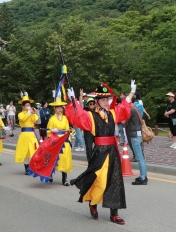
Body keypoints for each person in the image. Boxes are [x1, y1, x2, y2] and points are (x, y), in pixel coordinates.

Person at [67, 81, 135, 225]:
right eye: (103, 100)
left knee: (115, 181)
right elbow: (78, 116)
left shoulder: (112, 113)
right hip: (100, 152)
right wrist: (73, 100)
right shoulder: (91, 116)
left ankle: (114, 213)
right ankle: (93, 203)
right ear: (97, 102)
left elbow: (124, 107)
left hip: (112, 152)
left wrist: (131, 93)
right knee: (100, 181)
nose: (106, 102)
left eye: (107, 99)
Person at [46, 95, 72, 186]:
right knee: (54, 158)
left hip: (64, 140)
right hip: (55, 140)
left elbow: (67, 130)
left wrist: (68, 140)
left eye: (61, 107)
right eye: (58, 108)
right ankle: (50, 175)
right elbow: (48, 130)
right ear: (55, 109)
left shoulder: (65, 118)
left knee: (64, 158)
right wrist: (51, 131)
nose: (60, 109)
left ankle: (64, 179)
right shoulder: (52, 119)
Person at [14, 93, 39, 175]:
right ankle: (27, 168)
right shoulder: (20, 114)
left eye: (29, 105)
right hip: (24, 135)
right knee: (26, 152)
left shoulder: (31, 113)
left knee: (34, 150)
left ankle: (34, 167)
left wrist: (34, 113)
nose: (28, 106)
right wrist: (28, 112)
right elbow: (23, 119)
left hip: (31, 134)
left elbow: (36, 120)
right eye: (27, 105)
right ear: (23, 107)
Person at [126, 95, 148, 186]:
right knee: (141, 156)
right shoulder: (136, 108)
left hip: (134, 134)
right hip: (138, 133)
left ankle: (143, 178)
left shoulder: (131, 110)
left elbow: (124, 121)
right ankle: (144, 176)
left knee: (139, 157)